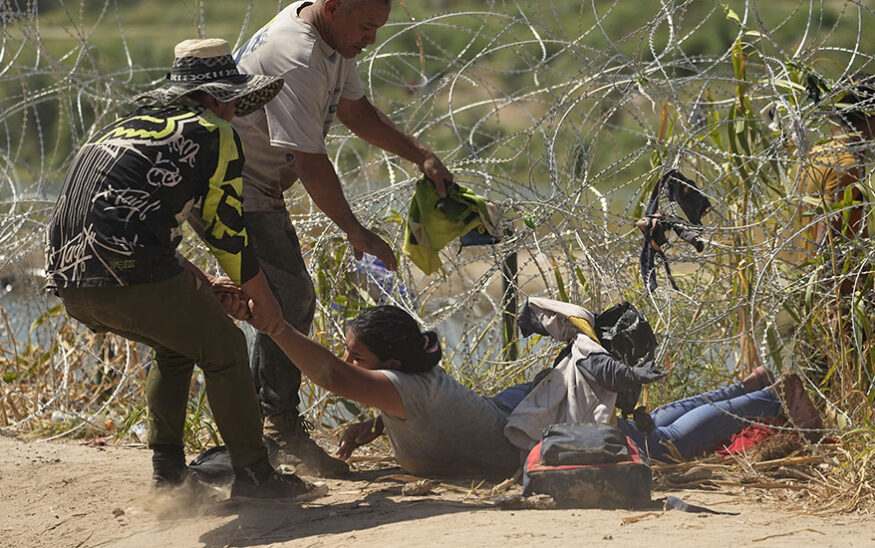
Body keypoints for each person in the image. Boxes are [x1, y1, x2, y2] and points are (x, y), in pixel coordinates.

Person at [45, 38, 320, 500]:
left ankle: (169, 477)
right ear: (215, 99)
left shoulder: (124, 129)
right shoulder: (214, 133)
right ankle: (255, 474)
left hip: (71, 281)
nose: (235, 113)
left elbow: (123, 223)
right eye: (233, 101)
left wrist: (200, 279)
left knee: (176, 348)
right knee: (227, 349)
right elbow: (226, 230)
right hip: (131, 273)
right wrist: (266, 305)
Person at [229, 0, 455, 476]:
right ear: (332, 8)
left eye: (378, 27)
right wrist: (358, 234)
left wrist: (421, 155)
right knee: (288, 298)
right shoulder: (297, 55)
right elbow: (310, 161)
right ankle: (277, 432)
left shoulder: (334, 39)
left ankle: (262, 426)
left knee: (281, 296)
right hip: (236, 184)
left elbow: (354, 110)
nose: (371, 38)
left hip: (260, 185)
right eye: (367, 26)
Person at [241, 304, 824, 480]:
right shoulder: (402, 387)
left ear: (390, 363)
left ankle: (775, 401)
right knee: (644, 428)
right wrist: (373, 425)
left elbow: (335, 379)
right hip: (510, 413)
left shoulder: (400, 387)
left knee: (655, 446)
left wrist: (272, 327)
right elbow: (363, 384)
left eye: (357, 354)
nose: (348, 363)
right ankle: (748, 386)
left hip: (524, 439)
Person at [797, 72, 873, 296]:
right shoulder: (847, 166)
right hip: (843, 301)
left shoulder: (818, 153)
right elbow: (827, 243)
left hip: (811, 289)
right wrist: (839, 311)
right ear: (869, 115)